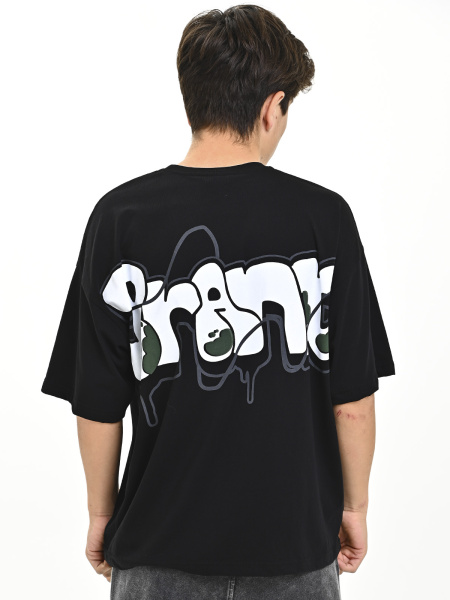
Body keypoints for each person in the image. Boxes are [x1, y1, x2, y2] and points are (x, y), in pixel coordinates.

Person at [40, 5, 395, 599]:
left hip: (156, 550)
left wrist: (102, 515)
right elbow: (352, 400)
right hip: (293, 550)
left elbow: (98, 403)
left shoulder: (119, 217)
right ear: (271, 107)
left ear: (192, 101)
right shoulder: (325, 219)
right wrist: (353, 508)